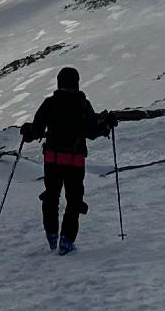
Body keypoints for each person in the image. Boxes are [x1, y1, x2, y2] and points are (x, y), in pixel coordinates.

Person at [20, 67, 115, 255]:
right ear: (76, 82)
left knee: (51, 196)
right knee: (74, 200)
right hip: (75, 161)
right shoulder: (82, 104)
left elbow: (36, 131)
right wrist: (106, 126)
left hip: (52, 161)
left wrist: (27, 132)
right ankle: (66, 240)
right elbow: (92, 132)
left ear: (59, 82)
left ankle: (51, 234)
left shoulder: (50, 103)